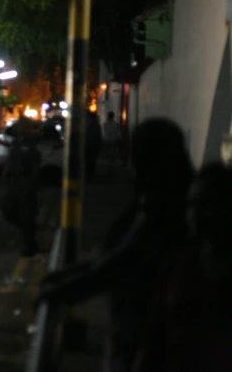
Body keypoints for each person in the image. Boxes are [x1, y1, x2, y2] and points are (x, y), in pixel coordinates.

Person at [36, 118, 194, 372]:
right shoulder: (165, 196)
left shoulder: (163, 207)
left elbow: (122, 260)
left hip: (148, 336)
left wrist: (65, 288)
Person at [139, 163, 232, 372]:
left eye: (207, 204)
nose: (196, 214)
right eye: (192, 204)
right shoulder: (180, 264)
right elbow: (156, 337)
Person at [0, 119, 41, 257]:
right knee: (8, 210)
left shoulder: (31, 144)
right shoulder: (16, 143)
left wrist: (31, 184)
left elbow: (35, 166)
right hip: (14, 182)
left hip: (25, 183)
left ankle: (30, 246)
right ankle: (28, 233)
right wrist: (0, 181)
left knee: (26, 216)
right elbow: (9, 162)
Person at [85, 111, 103, 180]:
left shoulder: (89, 125)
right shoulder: (96, 125)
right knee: (92, 160)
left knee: (89, 160)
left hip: (90, 145)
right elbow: (98, 136)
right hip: (93, 145)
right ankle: (90, 173)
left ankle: (89, 174)